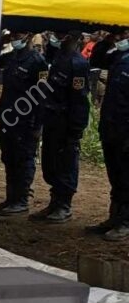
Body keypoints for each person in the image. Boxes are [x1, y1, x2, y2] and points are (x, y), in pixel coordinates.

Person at [34, 32, 92, 223]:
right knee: (51, 162)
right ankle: (54, 201)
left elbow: (80, 100)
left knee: (66, 163)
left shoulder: (78, 63)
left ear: (72, 37)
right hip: (52, 119)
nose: (57, 38)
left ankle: (63, 205)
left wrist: (76, 129)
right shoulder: (59, 57)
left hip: (66, 122)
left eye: (62, 35)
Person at [0, 33, 49, 216]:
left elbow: (41, 95)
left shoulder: (37, 62)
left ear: (30, 37)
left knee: (23, 159)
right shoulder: (12, 57)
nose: (16, 38)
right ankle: (11, 198)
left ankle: (22, 200)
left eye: (20, 35)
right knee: (9, 158)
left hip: (26, 120)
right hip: (8, 117)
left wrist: (37, 125)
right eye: (14, 34)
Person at [89, 30, 129, 240]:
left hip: (125, 133)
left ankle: (125, 222)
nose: (121, 37)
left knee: (126, 178)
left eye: (125, 33)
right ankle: (115, 217)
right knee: (115, 178)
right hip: (112, 129)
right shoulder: (120, 57)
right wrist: (108, 38)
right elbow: (96, 60)